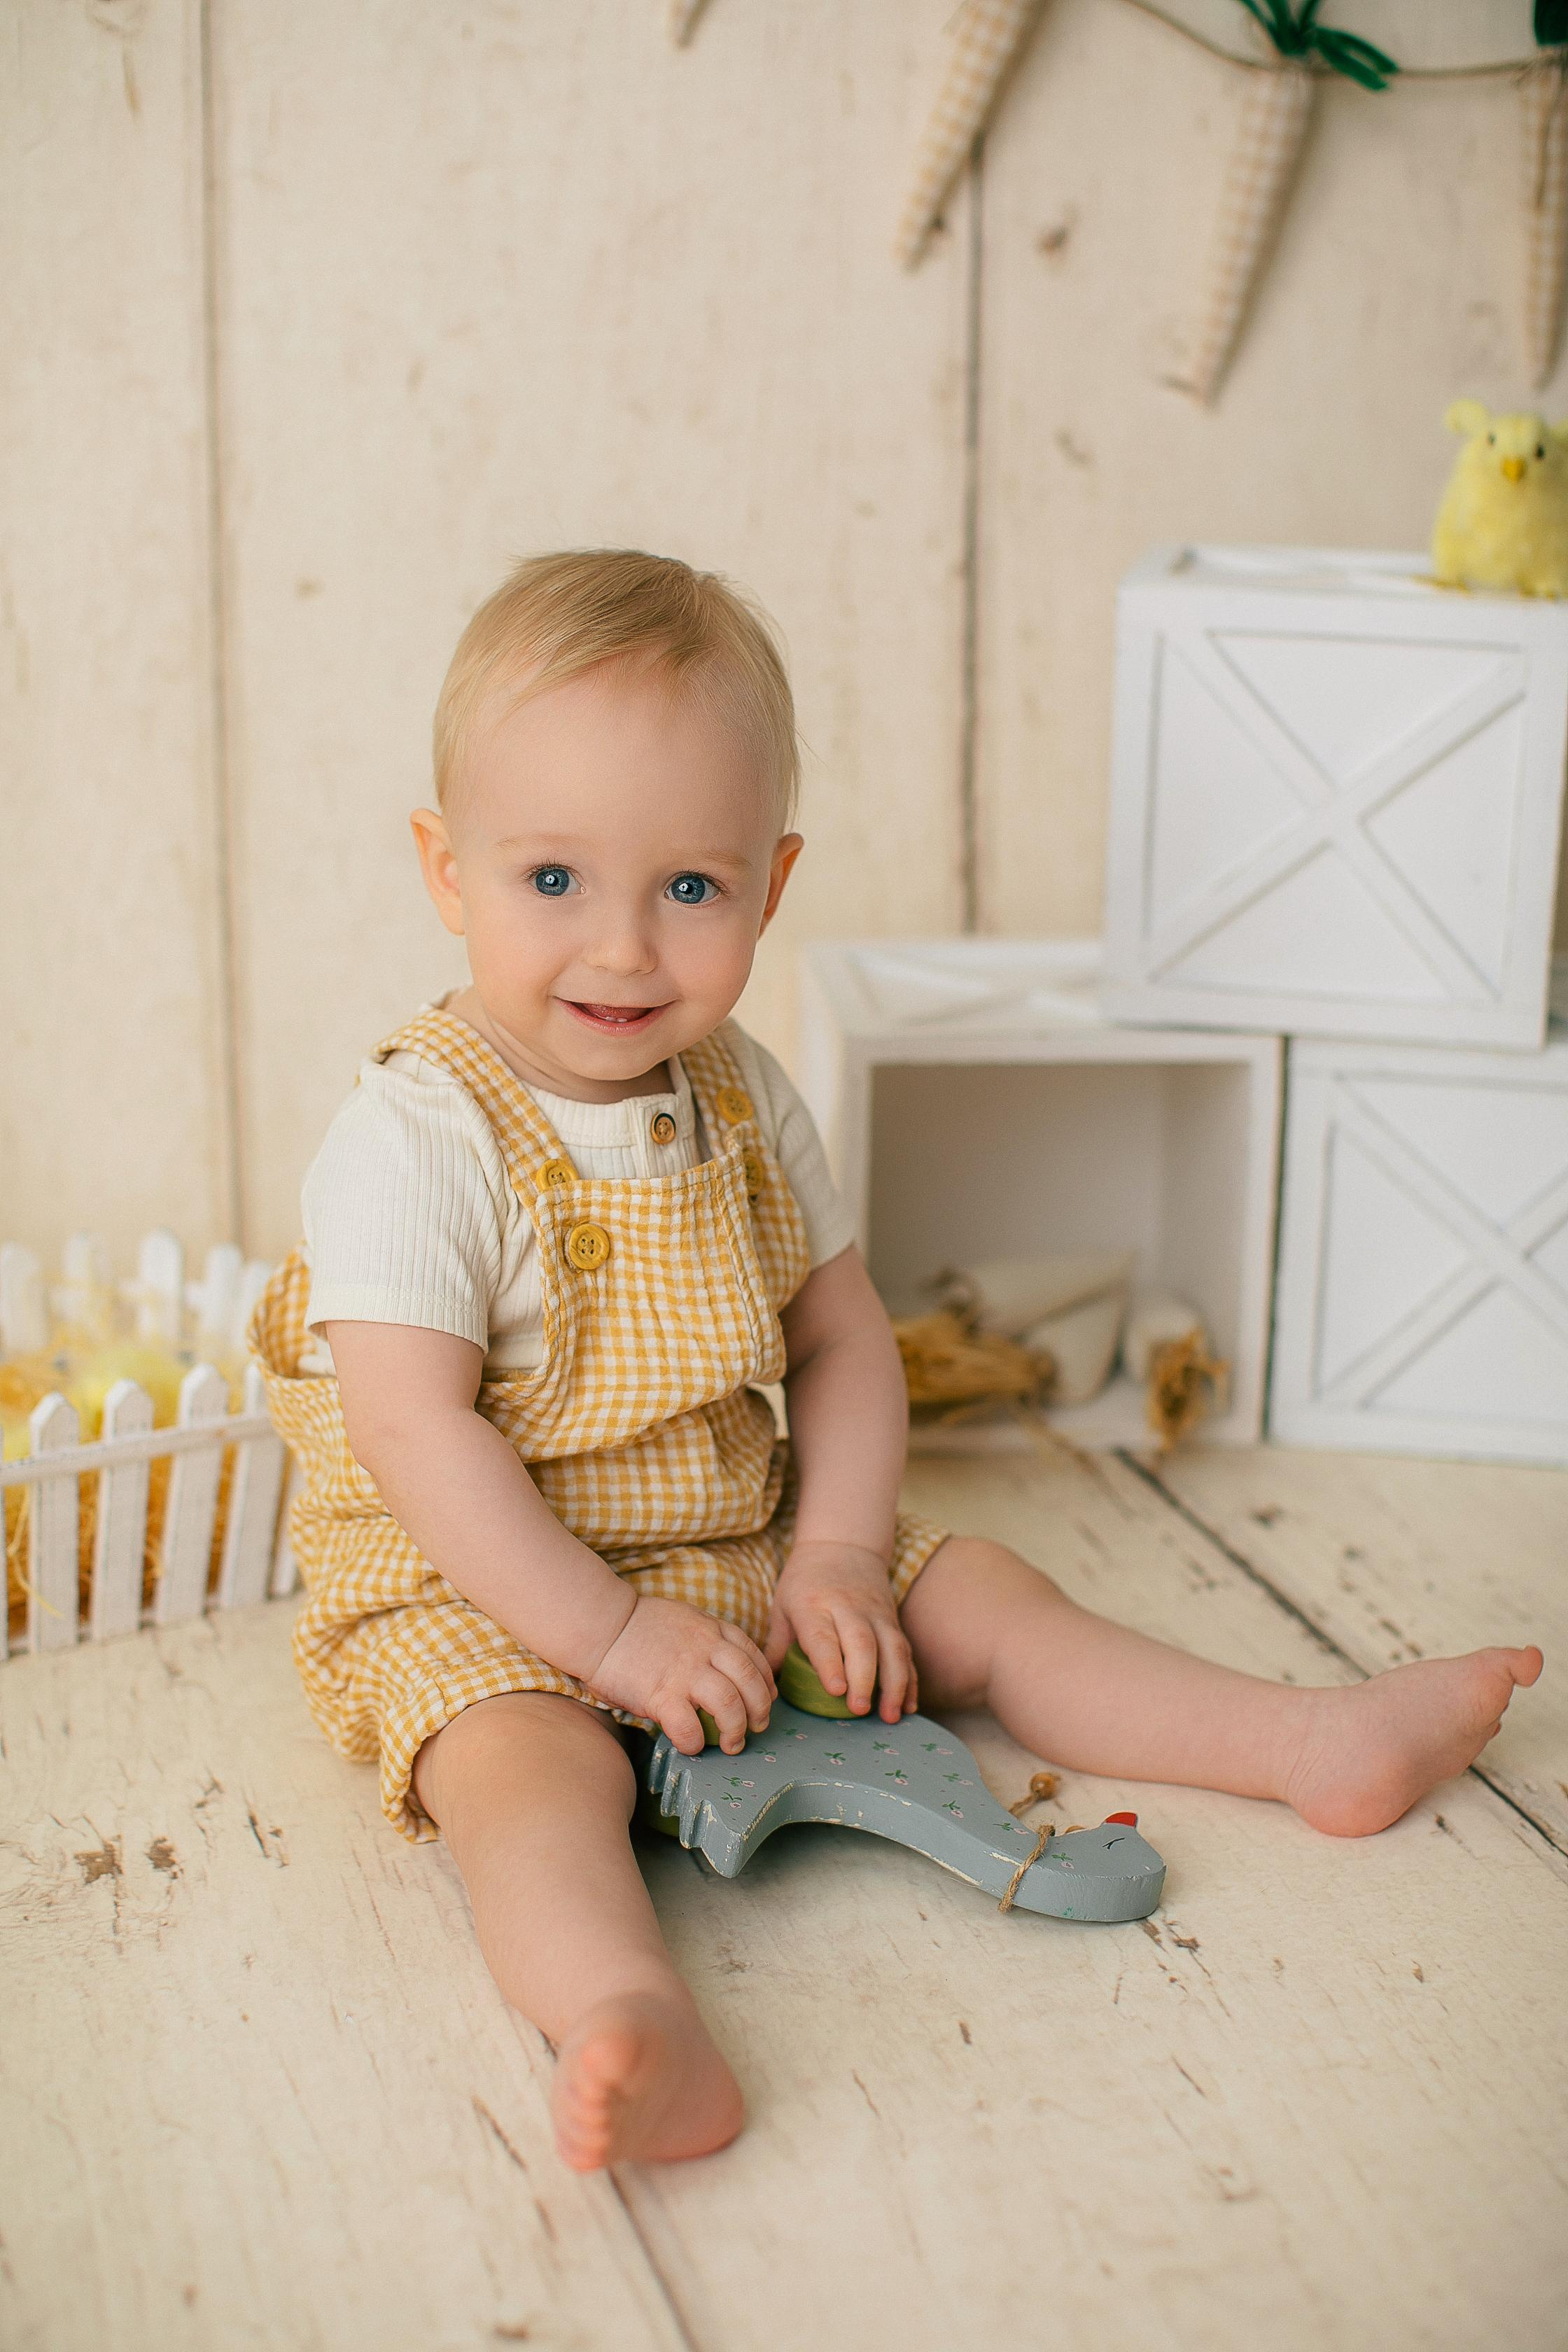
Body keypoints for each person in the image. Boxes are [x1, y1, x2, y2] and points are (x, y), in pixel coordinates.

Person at [252, 550, 1542, 2174]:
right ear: (448, 870)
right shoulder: (419, 1133)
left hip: (724, 1532)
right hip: (481, 1584)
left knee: (988, 1596)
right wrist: (611, 1637)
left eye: (690, 889)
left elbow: (843, 1336)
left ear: (771, 885)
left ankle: (1305, 1743)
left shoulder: (742, 1094)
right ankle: (623, 2015)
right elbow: (416, 1436)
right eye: (554, 878)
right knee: (522, 1779)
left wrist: (841, 1559)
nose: (625, 949)